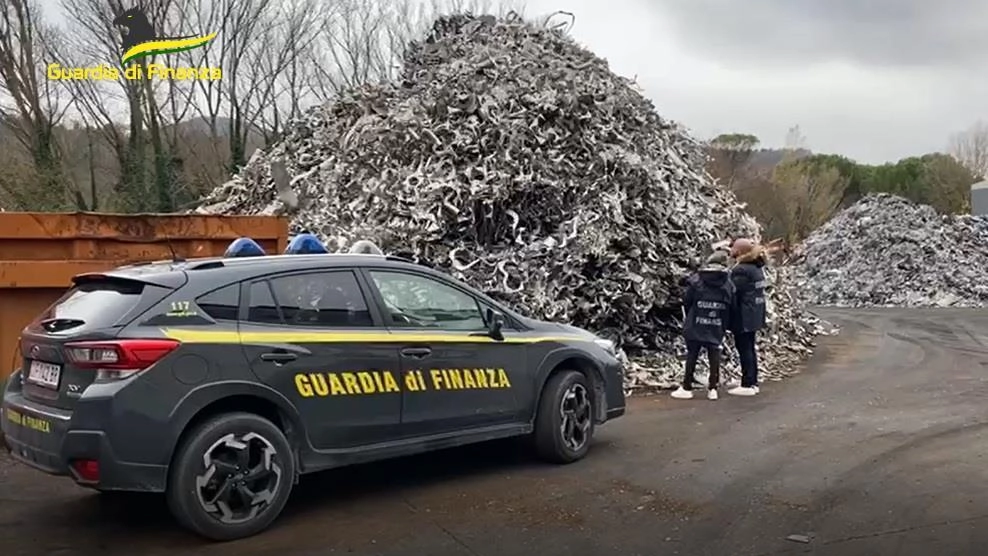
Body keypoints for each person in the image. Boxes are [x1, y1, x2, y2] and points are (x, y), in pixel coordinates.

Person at [671, 250, 735, 401]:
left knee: (692, 354)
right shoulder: (727, 282)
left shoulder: (697, 280)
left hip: (696, 322)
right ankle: (713, 389)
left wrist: (692, 315)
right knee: (714, 354)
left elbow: (687, 301)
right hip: (717, 323)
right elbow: (732, 305)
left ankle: (687, 387)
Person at [727, 238, 767, 396]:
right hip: (755, 313)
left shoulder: (741, 270)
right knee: (749, 347)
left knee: (744, 348)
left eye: (734, 249)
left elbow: (735, 293)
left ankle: (747, 384)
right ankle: (753, 381)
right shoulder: (757, 268)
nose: (731, 251)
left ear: (740, 252)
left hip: (744, 315)